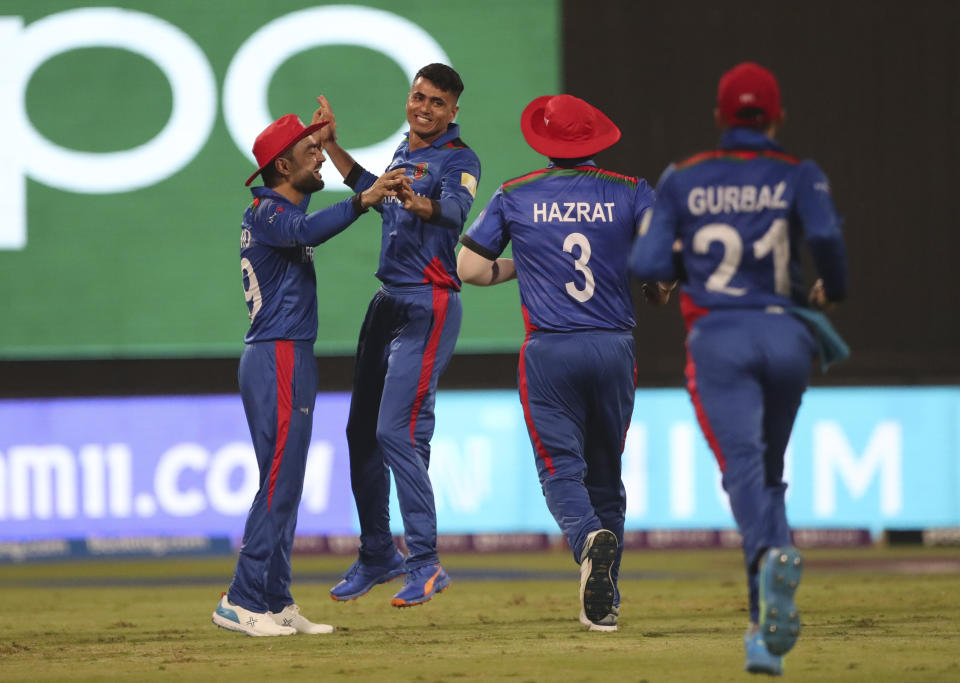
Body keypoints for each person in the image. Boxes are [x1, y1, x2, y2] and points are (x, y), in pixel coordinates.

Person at [630, 62, 848, 674]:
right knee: (770, 473)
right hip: (787, 336)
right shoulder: (798, 173)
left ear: (721, 117)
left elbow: (647, 262)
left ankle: (772, 556)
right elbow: (829, 243)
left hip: (719, 339)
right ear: (777, 116)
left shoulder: (684, 178)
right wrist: (836, 286)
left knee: (744, 471)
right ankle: (765, 639)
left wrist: (683, 251)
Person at [458, 94, 656, 632]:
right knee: (605, 472)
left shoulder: (515, 195)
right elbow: (665, 262)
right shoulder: (631, 191)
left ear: (543, 141)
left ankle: (587, 540)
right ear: (594, 138)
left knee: (559, 469)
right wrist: (656, 286)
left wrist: (522, 266)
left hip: (550, 350)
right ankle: (607, 600)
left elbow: (470, 269)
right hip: (614, 347)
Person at [212, 108, 406, 636]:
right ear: (280, 166)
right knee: (279, 482)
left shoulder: (278, 210)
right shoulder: (268, 212)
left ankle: (275, 599)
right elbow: (308, 228)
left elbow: (307, 219)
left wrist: (318, 136)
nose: (319, 158)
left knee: (287, 484)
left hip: (288, 355)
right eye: (309, 153)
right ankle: (242, 597)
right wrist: (364, 199)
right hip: (276, 355)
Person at [315, 64, 481, 607]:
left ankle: (427, 563)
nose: (424, 108)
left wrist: (420, 204)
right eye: (418, 96)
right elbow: (372, 193)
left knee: (396, 433)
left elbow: (454, 213)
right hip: (387, 302)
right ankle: (377, 553)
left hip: (428, 304)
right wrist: (333, 147)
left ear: (454, 111)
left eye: (437, 102)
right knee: (361, 433)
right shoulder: (403, 153)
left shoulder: (460, 159)